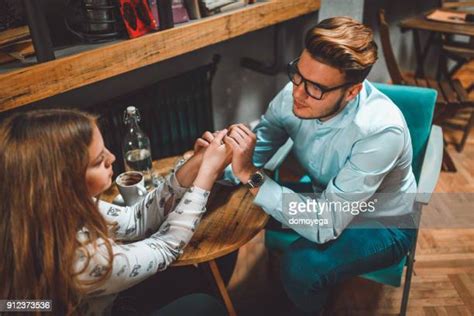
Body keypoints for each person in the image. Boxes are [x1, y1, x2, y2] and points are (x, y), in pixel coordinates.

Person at [222, 17, 417, 314]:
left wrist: (250, 176)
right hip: (327, 196)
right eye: (297, 75)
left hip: (383, 221)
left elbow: (324, 223)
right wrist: (214, 169)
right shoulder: (293, 94)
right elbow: (254, 153)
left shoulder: (380, 130)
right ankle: (215, 298)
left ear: (351, 92)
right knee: (231, 204)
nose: (297, 94)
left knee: (300, 266)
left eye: (315, 88)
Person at [0, 109, 230, 315]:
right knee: (205, 307)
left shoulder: (51, 205)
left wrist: (196, 163)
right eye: (100, 160)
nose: (113, 158)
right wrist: (207, 173)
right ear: (63, 181)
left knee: (186, 277)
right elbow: (167, 246)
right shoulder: (77, 256)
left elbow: (134, 220)